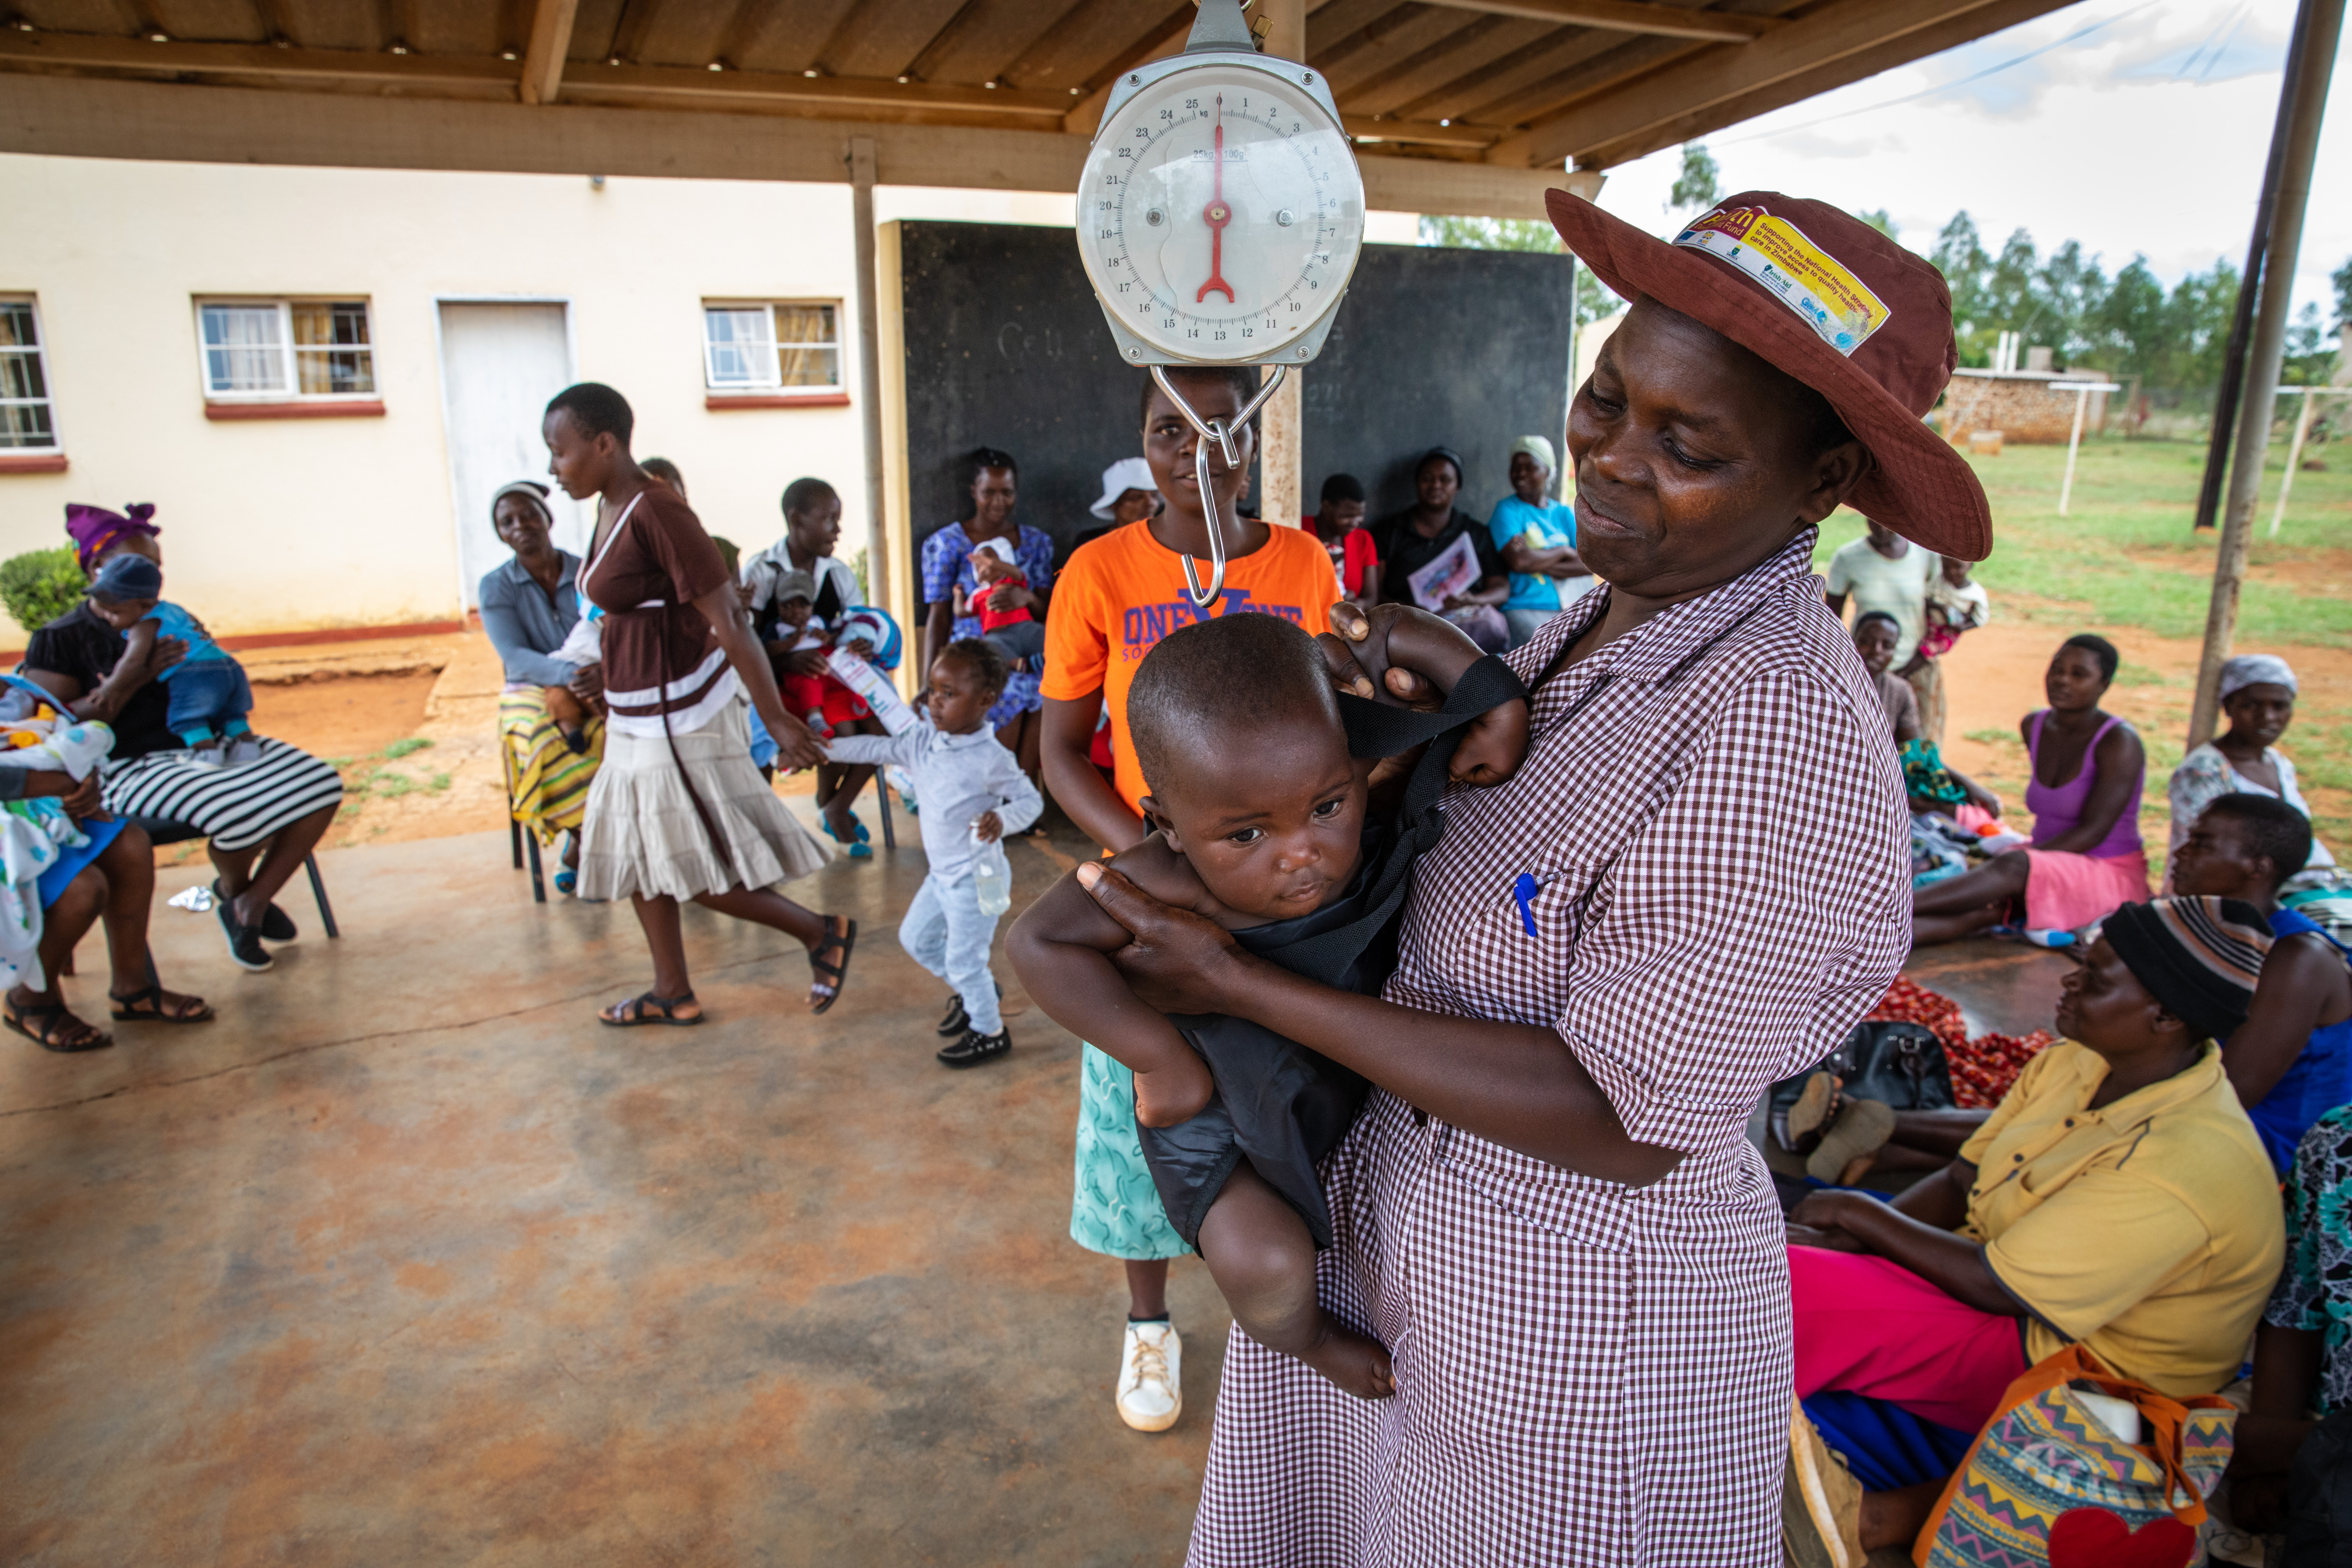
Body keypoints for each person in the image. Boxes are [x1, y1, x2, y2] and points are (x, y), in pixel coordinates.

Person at [1060, 191, 1976, 1562]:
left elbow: (1619, 1116)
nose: (1609, 457)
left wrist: (1239, 986)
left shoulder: (1772, 728)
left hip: (1558, 1328)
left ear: (1825, 480)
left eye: (1688, 443)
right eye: (1609, 399)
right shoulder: (1585, 633)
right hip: (1397, 1251)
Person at [1015, 609, 1526, 1400]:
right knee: (1264, 1263)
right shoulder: (1162, 879)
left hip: (1337, 1078)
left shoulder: (1362, 804)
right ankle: (1308, 1340)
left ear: (1357, 767)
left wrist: (1498, 702)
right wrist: (1158, 1058)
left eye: (1326, 808)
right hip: (1221, 1106)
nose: (1301, 854)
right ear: (1168, 827)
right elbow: (1036, 946)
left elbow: (1391, 636)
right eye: (1247, 835)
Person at [1784, 897, 2286, 1557]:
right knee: (1784, 1250)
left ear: (2165, 1016)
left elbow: (1998, 1286)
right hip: (2007, 1296)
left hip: (2083, 1376)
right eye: (2084, 961)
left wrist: (1861, 1216)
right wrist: (1855, 1242)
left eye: (2098, 977)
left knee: (1786, 1291)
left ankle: (1689, 1424)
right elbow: (1963, 1181)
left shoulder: (2181, 1164)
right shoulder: (2078, 1063)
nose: (2070, 979)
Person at [1038, 367, 1341, 1436]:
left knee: (1289, 1094)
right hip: (1160, 883)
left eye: (1222, 428)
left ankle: (1298, 1305)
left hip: (1285, 883)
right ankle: (1147, 1319)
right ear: (1141, 442)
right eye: (1172, 429)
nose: (1198, 449)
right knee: (1140, 1112)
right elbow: (1061, 750)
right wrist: (1158, 862)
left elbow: (1341, 719)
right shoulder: (1101, 570)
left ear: (1252, 441)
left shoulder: (1304, 563)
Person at [540, 382, 853, 1022]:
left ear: (604, 444)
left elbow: (730, 620)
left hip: (676, 717)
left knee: (691, 860)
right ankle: (671, 991)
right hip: (635, 711)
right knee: (636, 853)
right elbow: (623, 613)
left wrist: (775, 717)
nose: (553, 468)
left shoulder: (659, 510)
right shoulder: (610, 507)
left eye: (561, 451)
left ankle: (821, 933)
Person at [27, 504, 344, 974]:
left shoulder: (163, 615)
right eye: (142, 569)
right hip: (125, 767)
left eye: (157, 569)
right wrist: (136, 677)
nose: (154, 581)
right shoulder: (60, 638)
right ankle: (239, 897)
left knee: (320, 784)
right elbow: (54, 726)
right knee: (235, 806)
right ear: (97, 570)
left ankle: (249, 900)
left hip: (203, 745)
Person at [827, 639, 1039, 1068]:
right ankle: (976, 991)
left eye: (949, 693)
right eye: (932, 690)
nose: (934, 702)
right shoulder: (923, 741)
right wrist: (822, 749)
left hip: (977, 878)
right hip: (940, 876)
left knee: (965, 960)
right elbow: (873, 748)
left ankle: (990, 1031)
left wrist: (1005, 820)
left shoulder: (990, 758)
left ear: (985, 701)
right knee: (916, 940)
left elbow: (1030, 801)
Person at [0, 680, 211, 1049]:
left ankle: (133, 989)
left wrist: (86, 774)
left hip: (38, 801)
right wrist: (58, 780)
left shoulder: (14, 690)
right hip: (23, 803)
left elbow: (58, 726)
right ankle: (30, 999)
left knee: (130, 845)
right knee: (83, 890)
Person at [1911, 634, 2149, 946]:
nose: (2062, 680)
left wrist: (2021, 860)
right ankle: (1860, 939)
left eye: (2079, 675)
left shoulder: (2119, 742)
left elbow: (2094, 832)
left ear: (2104, 685)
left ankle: (1883, 912)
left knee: (2007, 869)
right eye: (2056, 669)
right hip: (2050, 860)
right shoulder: (2035, 726)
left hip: (2108, 872)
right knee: (1985, 907)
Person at [2171, 793, 2352, 1173]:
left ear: (2258, 867)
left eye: (2202, 844)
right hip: (2212, 1111)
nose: (2181, 852)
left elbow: (2234, 1091)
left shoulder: (2298, 959)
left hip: (2283, 1152)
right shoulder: (2208, 927)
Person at [2226, 1104, 2352, 1538]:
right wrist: (2264, 1468)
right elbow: (2296, 1308)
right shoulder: (2336, 1141)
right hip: (2322, 1443)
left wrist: (2279, 1447)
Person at [478, 481, 603, 894]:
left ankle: (594, 838)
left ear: (548, 518)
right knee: (544, 740)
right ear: (500, 533)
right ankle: (585, 841)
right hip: (530, 686)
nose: (521, 526)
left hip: (594, 674)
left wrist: (597, 672)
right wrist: (567, 674)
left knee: (621, 732)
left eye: (529, 514)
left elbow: (609, 628)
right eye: (508, 521)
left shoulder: (586, 571)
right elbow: (514, 657)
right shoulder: (496, 586)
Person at [740, 478, 877, 843]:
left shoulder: (838, 574)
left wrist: (862, 644)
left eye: (839, 519)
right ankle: (761, 828)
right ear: (796, 519)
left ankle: (833, 803)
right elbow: (743, 641)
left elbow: (859, 624)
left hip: (830, 681)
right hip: (773, 688)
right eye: (829, 519)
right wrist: (786, 665)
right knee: (758, 728)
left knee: (882, 724)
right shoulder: (762, 571)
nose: (838, 529)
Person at [920, 449, 1053, 780]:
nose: (999, 501)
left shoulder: (1036, 543)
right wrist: (930, 681)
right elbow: (939, 615)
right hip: (973, 657)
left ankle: (1022, 794)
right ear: (973, 493)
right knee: (1003, 691)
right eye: (989, 492)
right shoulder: (947, 544)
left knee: (1050, 690)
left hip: (1025, 644)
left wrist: (1024, 597)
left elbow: (1049, 610)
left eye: (1007, 492)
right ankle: (994, 792)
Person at [2170, 653, 2342, 898]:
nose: (2268, 717)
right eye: (2251, 705)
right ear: (2229, 707)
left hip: (2308, 888)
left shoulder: (2278, 763)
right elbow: (2201, 858)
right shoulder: (2203, 773)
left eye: (2280, 706)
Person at [83, 554, 257, 768]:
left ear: (145, 605)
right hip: (226, 663)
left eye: (115, 612)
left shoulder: (145, 624)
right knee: (230, 713)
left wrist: (110, 687)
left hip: (195, 672)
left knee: (186, 717)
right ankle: (248, 748)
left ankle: (206, 755)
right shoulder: (174, 610)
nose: (108, 618)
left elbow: (133, 663)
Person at [1369, 446, 1508, 652]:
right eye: (1428, 478)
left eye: (1445, 480)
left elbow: (1501, 589)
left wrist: (1472, 600)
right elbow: (1375, 594)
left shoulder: (1475, 533)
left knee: (1493, 626)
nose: (1436, 485)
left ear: (1457, 486)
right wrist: (1405, 610)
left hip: (1464, 626)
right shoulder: (1390, 531)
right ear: (1417, 483)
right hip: (1408, 624)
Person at [1487, 434, 1593, 648]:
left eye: (1530, 467)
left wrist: (1535, 558)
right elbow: (1520, 563)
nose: (1521, 474)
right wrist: (1564, 551)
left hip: (1570, 607)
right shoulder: (1507, 511)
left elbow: (1588, 563)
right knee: (1550, 653)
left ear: (1548, 471)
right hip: (1523, 607)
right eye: (1516, 467)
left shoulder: (1564, 514)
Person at [1825, 514, 1938, 694]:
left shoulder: (1925, 553)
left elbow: (1941, 608)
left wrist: (1922, 658)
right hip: (1866, 670)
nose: (1882, 529)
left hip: (1915, 665)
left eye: (1888, 522)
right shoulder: (1848, 557)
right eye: (1874, 521)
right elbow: (1830, 619)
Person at [1905, 554, 1989, 744]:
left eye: (1958, 567)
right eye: (1947, 566)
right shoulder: (1940, 582)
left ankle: (1905, 672)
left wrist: (1962, 626)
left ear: (1970, 567)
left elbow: (1980, 619)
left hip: (1950, 632)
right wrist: (1938, 608)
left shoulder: (1975, 593)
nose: (1952, 572)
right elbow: (1926, 596)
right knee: (1922, 643)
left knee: (1929, 650)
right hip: (1933, 622)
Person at [1302, 473, 1378, 608]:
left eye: (1360, 515)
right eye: (1347, 516)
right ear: (1326, 507)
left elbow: (1371, 598)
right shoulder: (1300, 531)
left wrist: (1353, 605)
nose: (1355, 523)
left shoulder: (1363, 540)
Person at [1853, 610, 1921, 743]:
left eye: (1888, 646)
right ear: (1852, 641)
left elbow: (1912, 748)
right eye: (1867, 642)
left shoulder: (1900, 690)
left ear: (1895, 652)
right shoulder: (1830, 682)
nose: (1876, 651)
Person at [1089, 456, 1161, 529]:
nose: (1150, 503)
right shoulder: (1091, 539)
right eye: (1136, 497)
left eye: (1154, 495)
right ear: (1114, 504)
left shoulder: (1168, 539)